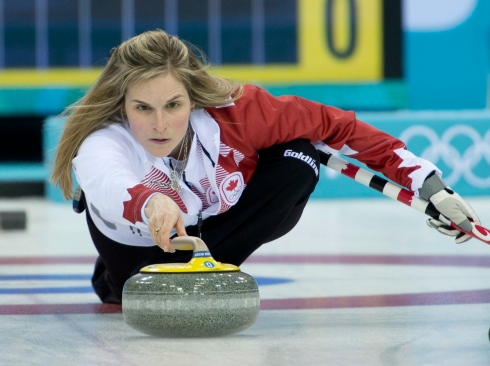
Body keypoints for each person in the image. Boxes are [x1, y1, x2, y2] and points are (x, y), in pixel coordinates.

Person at [51, 29, 480, 304]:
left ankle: (214, 268)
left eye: (174, 105)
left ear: (194, 98)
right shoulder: (102, 139)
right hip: (134, 247)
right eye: (142, 108)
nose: (159, 124)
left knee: (300, 156)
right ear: (122, 105)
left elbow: (338, 126)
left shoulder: (239, 112)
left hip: (213, 228)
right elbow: (109, 183)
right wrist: (151, 204)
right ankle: (111, 279)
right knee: (131, 289)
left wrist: (429, 183)